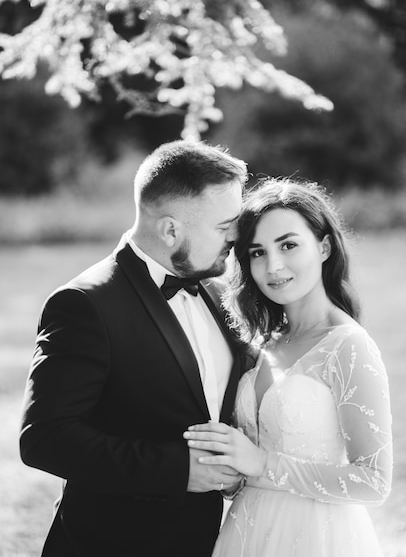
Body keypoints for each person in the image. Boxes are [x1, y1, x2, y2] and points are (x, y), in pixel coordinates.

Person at [19, 140, 249, 557]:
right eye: (223, 226)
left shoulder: (218, 293)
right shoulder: (83, 304)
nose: (236, 236)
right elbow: (45, 438)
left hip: (210, 541)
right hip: (112, 543)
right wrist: (177, 470)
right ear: (170, 229)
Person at [184, 177, 393, 557]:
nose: (273, 266)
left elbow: (373, 481)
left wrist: (261, 463)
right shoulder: (264, 343)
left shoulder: (348, 346)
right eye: (257, 252)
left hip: (316, 537)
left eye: (289, 245)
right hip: (246, 533)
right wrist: (232, 471)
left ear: (325, 246)